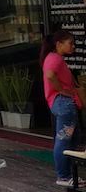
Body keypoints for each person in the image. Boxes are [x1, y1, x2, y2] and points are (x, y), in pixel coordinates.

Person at [42, 30, 82, 187]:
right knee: (63, 140)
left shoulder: (55, 58)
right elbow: (50, 75)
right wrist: (61, 90)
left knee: (72, 139)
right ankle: (64, 176)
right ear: (59, 44)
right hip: (63, 103)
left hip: (63, 103)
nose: (73, 46)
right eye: (70, 43)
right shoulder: (54, 58)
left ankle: (70, 175)